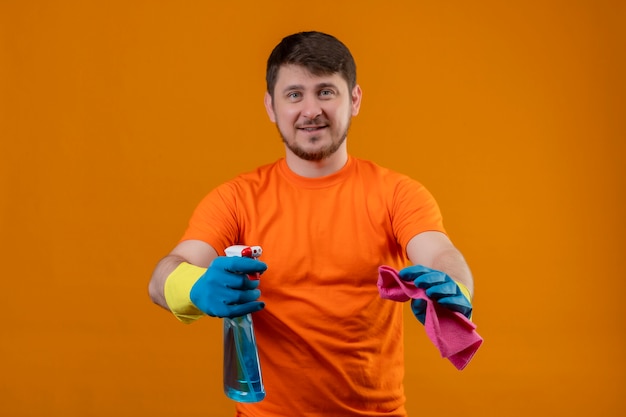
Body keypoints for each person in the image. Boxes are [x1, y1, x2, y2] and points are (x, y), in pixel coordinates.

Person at [148, 31, 474, 417]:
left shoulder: (398, 193)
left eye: (325, 92)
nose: (310, 110)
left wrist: (455, 288)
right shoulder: (234, 199)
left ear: (353, 99)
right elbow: (162, 277)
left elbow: (440, 252)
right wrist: (194, 285)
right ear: (271, 106)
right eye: (294, 94)